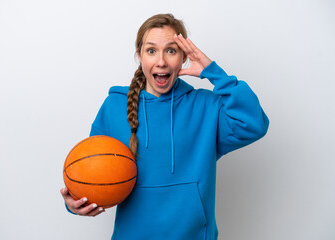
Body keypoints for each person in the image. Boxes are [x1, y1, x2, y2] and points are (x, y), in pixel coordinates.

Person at [61, 13, 269, 240]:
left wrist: (214, 73)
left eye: (171, 50)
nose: (161, 61)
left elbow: (254, 123)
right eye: (151, 51)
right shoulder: (114, 106)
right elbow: (90, 173)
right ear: (139, 55)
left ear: (183, 58)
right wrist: (74, 204)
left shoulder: (206, 107)